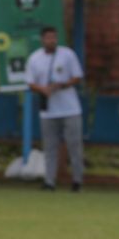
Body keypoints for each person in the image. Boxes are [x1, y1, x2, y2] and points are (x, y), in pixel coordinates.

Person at [25, 25, 84, 192]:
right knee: (50, 146)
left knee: (74, 145)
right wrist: (43, 89)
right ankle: (49, 181)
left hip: (70, 109)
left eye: (54, 37)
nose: (52, 40)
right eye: (48, 37)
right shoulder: (35, 58)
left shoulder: (67, 55)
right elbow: (30, 82)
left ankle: (77, 181)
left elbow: (77, 76)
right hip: (48, 110)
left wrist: (62, 85)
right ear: (42, 39)